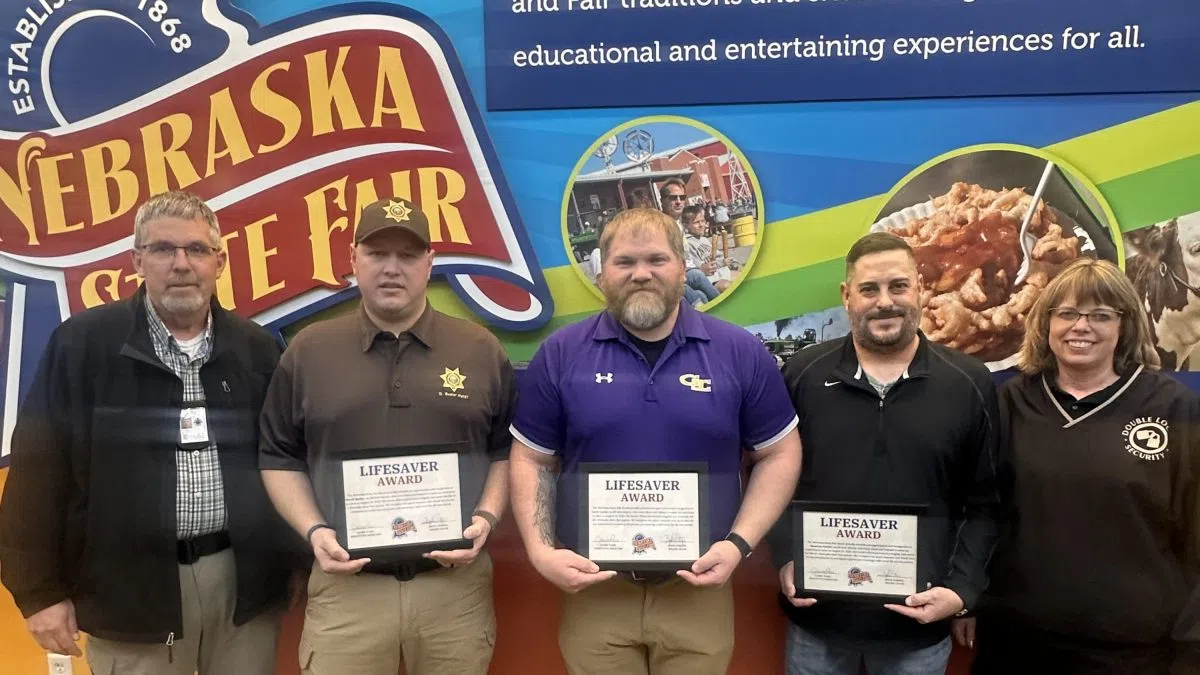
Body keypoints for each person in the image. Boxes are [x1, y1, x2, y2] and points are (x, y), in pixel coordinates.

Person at [0, 190, 296, 675]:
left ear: (219, 262)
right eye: (163, 249)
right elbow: (37, 473)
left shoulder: (258, 350)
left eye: (196, 250)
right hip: (129, 593)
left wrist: (291, 565)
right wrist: (39, 594)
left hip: (243, 589)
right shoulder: (83, 346)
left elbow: (285, 459)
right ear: (137, 260)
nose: (181, 264)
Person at [509, 207, 803, 675]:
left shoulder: (740, 351)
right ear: (601, 272)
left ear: (683, 268)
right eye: (624, 262)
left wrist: (738, 545)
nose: (641, 273)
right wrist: (541, 550)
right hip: (595, 589)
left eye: (656, 260)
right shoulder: (561, 353)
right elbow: (532, 458)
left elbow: (780, 452)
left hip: (699, 589)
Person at [258, 197, 515, 675]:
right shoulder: (308, 351)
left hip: (454, 591)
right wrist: (314, 532)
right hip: (347, 592)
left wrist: (486, 515)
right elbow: (278, 456)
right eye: (378, 254)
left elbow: (506, 451)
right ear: (352, 258)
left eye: (408, 255)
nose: (392, 269)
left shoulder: (480, 348)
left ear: (429, 264)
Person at [767, 231, 1001, 674]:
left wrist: (962, 591)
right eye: (869, 289)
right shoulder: (802, 375)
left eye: (898, 286)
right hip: (818, 623)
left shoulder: (968, 382)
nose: (884, 302)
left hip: (917, 629)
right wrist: (784, 559)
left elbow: (986, 502)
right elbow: (773, 478)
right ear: (847, 296)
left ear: (920, 288)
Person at [955, 257, 1200, 674]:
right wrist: (966, 596)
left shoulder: (1174, 407)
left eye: (1100, 315)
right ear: (1046, 322)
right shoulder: (1010, 402)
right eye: (1066, 313)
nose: (1080, 327)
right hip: (1016, 642)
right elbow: (979, 510)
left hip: (1134, 650)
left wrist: (1192, 646)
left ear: (1124, 325)